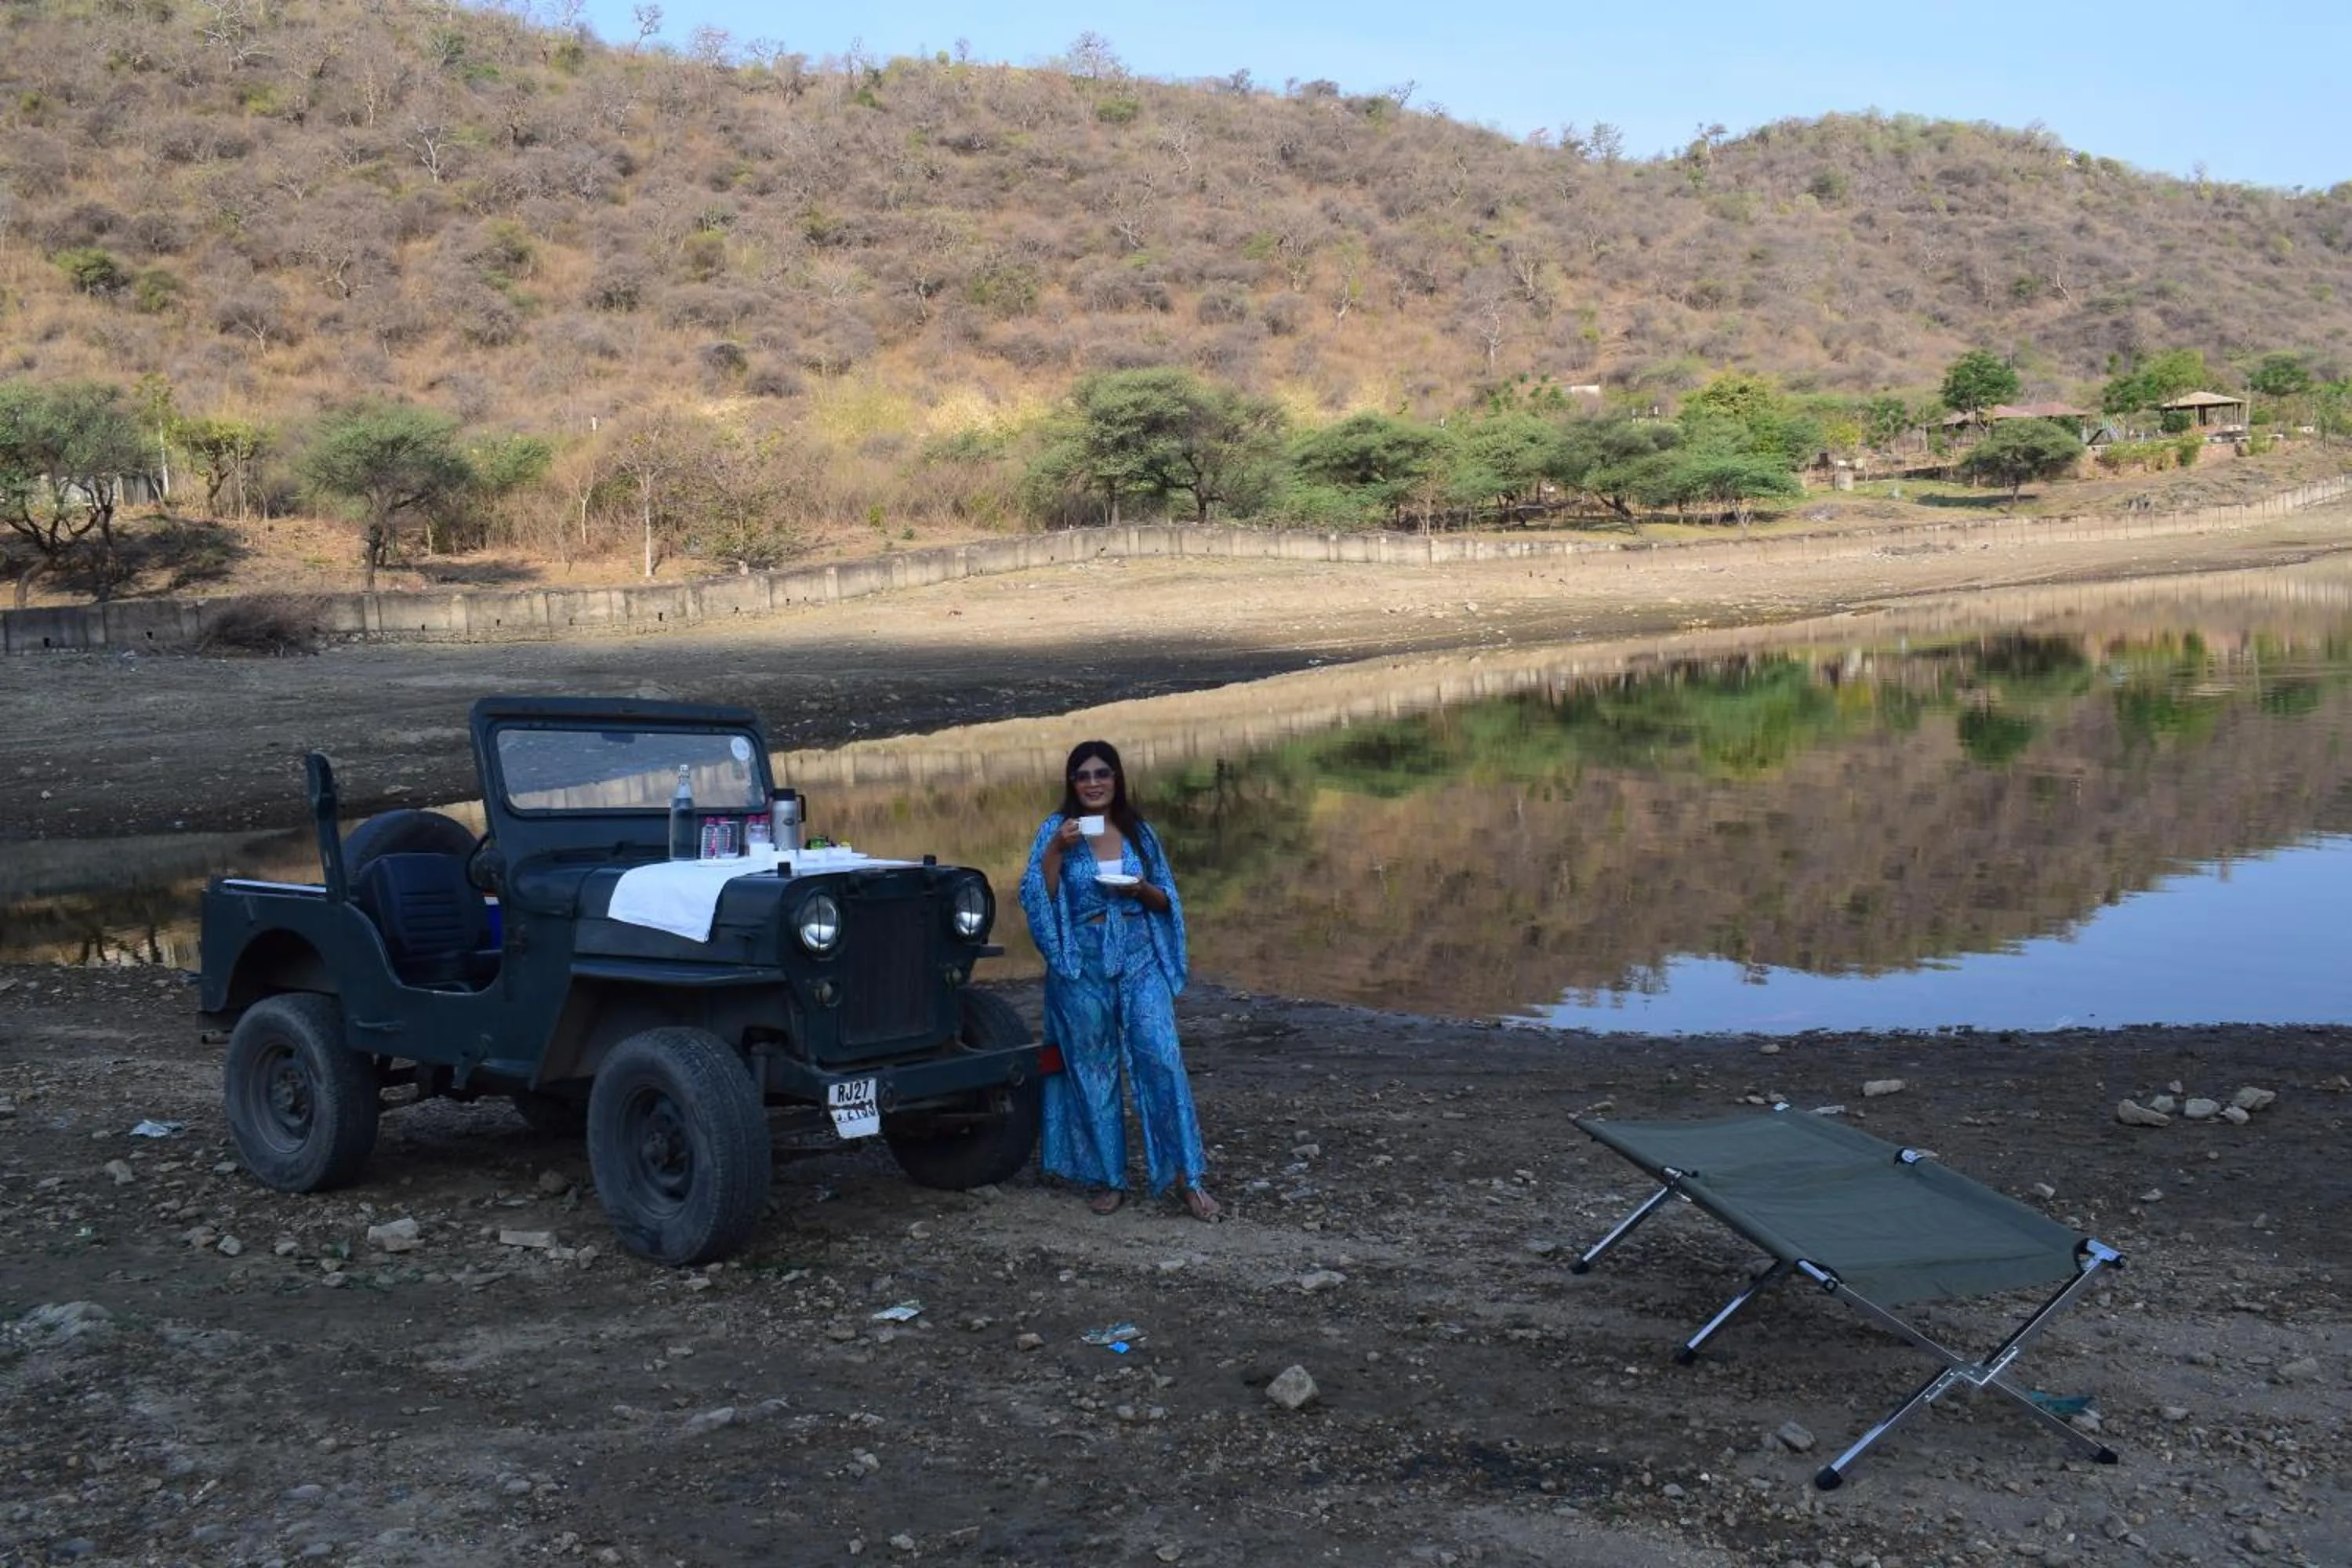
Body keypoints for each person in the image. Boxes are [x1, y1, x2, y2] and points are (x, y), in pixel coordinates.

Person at [1018, 741, 1221, 1221]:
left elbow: (1167, 900)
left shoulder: (1139, 832)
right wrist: (1055, 850)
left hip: (1138, 954)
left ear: (1117, 779)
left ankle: (1187, 1178)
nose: (1093, 783)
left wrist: (1141, 888)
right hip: (1082, 961)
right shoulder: (1056, 830)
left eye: (1102, 774)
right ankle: (1110, 1178)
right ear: (1072, 783)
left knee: (1161, 1057)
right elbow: (1036, 896)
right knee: (1093, 1068)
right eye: (1083, 776)